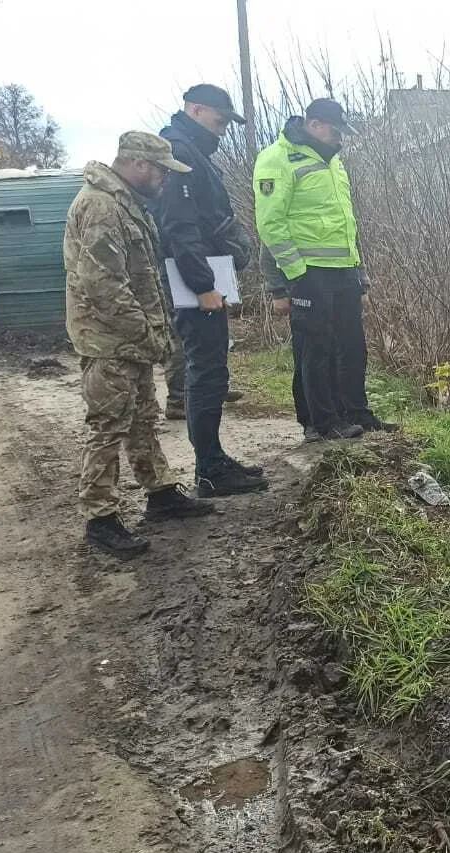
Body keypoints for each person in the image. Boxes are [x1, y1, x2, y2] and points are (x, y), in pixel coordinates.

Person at [64, 132, 214, 557]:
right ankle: (100, 518)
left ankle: (160, 491)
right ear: (140, 165)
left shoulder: (125, 202)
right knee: (108, 427)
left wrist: (151, 332)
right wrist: (148, 332)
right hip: (109, 340)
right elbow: (103, 285)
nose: (165, 178)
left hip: (131, 339)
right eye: (162, 170)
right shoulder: (100, 206)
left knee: (142, 419)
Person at [252, 97, 397, 441]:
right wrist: (294, 274)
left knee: (352, 345)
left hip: (342, 268)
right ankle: (321, 420)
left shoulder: (333, 162)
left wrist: (358, 270)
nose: (340, 137)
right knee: (317, 347)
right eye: (335, 129)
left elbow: (345, 222)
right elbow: (270, 223)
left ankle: (356, 411)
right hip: (309, 270)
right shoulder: (278, 158)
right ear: (315, 125)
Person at [151, 84, 268, 497]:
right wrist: (202, 287)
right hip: (195, 280)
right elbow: (180, 228)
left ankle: (213, 460)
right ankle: (210, 470)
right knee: (206, 371)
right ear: (196, 110)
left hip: (206, 273)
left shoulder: (192, 150)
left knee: (213, 370)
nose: (222, 131)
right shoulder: (179, 153)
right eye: (219, 121)